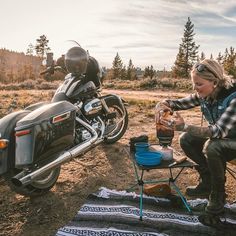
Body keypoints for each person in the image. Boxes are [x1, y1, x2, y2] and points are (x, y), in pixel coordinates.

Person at [156, 59, 236, 215]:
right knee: (186, 139)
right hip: (224, 141)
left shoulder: (233, 98)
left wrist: (184, 126)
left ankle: (217, 197)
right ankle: (207, 182)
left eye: (199, 84)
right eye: (194, 83)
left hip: (230, 141)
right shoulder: (205, 94)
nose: (195, 88)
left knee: (212, 146)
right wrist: (164, 103)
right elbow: (179, 103)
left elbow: (217, 132)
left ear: (214, 82)